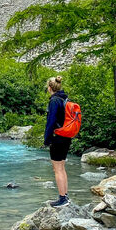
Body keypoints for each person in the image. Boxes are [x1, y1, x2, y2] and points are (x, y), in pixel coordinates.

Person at [43, 75, 71, 207]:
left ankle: (62, 199)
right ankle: (65, 195)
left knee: (57, 169)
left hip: (57, 137)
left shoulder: (54, 101)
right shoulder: (65, 98)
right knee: (62, 167)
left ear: (50, 88)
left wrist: (46, 139)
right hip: (66, 136)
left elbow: (51, 121)